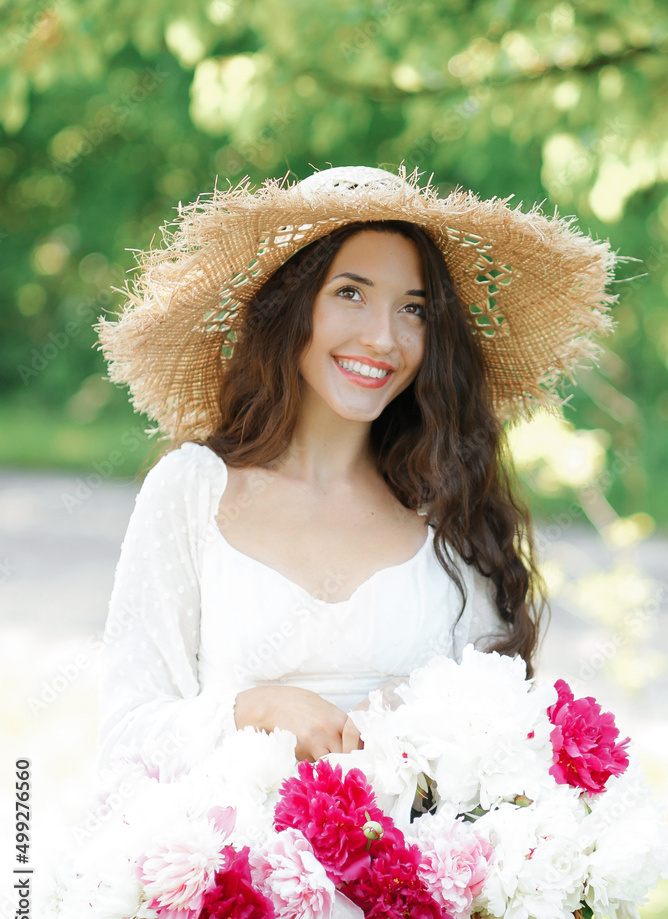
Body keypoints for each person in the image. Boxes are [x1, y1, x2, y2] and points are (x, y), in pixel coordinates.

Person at [94, 163, 618, 779]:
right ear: (291, 306)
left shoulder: (447, 503)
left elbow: (506, 737)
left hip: (411, 868)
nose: (383, 338)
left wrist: (422, 715)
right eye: (351, 293)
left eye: (414, 310)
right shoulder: (191, 491)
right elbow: (125, 741)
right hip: (231, 868)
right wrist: (253, 711)